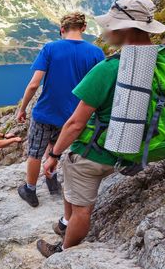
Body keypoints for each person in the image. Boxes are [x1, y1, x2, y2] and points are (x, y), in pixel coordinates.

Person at [38, 0, 165, 257]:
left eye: (110, 25)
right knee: (74, 187)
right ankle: (65, 225)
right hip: (136, 151)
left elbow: (75, 123)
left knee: (81, 205)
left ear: (123, 29)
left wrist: (54, 155)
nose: (106, 30)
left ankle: (64, 252)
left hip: (93, 154)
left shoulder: (108, 68)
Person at [17, 12, 104, 208]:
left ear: (62, 30)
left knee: (35, 153)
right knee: (55, 149)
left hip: (45, 112)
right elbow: (98, 87)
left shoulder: (50, 48)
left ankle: (30, 190)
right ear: (83, 28)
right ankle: (52, 180)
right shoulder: (96, 53)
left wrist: (22, 109)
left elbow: (33, 85)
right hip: (72, 117)